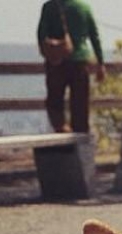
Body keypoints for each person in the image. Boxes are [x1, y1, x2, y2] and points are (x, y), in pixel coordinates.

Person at [37, 0, 106, 134]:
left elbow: (41, 34)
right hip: (81, 60)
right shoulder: (84, 7)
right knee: (80, 103)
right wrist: (100, 63)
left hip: (57, 61)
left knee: (54, 100)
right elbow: (94, 36)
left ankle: (61, 128)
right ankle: (80, 136)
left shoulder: (49, 7)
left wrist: (48, 49)